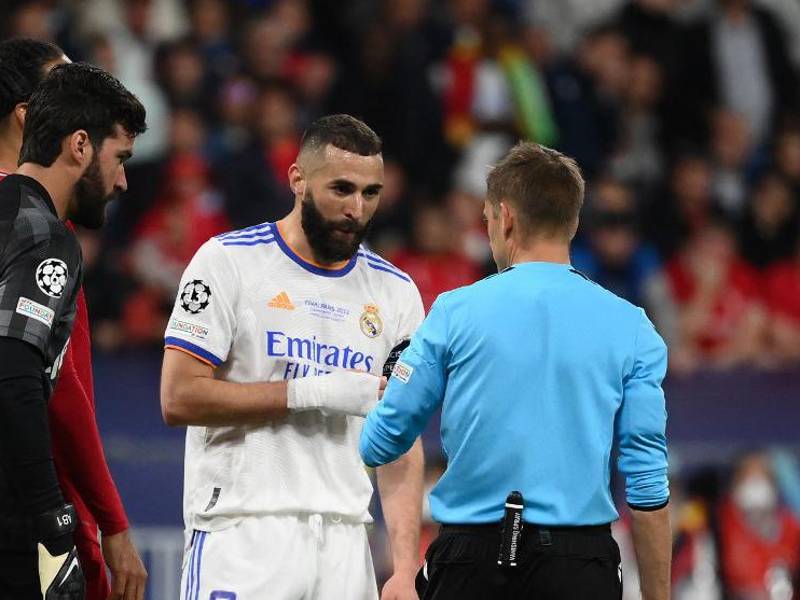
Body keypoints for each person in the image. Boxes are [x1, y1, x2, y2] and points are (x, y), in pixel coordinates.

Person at [360, 142, 672, 600]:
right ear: (574, 221)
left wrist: (387, 394)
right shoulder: (633, 327)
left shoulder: (453, 312)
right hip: (581, 565)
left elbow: (381, 442)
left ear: (505, 217)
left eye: (486, 219)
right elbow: (646, 485)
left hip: (469, 562)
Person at [160, 114, 425, 600]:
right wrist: (314, 391)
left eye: (371, 193)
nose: (356, 209)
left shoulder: (397, 292)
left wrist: (406, 568)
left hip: (347, 541)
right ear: (297, 180)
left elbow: (402, 439)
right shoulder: (228, 262)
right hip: (244, 532)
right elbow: (178, 397)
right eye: (341, 189)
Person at [0, 38, 148, 600]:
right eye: (121, 159)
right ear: (80, 145)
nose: (123, 181)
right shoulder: (43, 237)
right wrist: (54, 521)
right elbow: (15, 372)